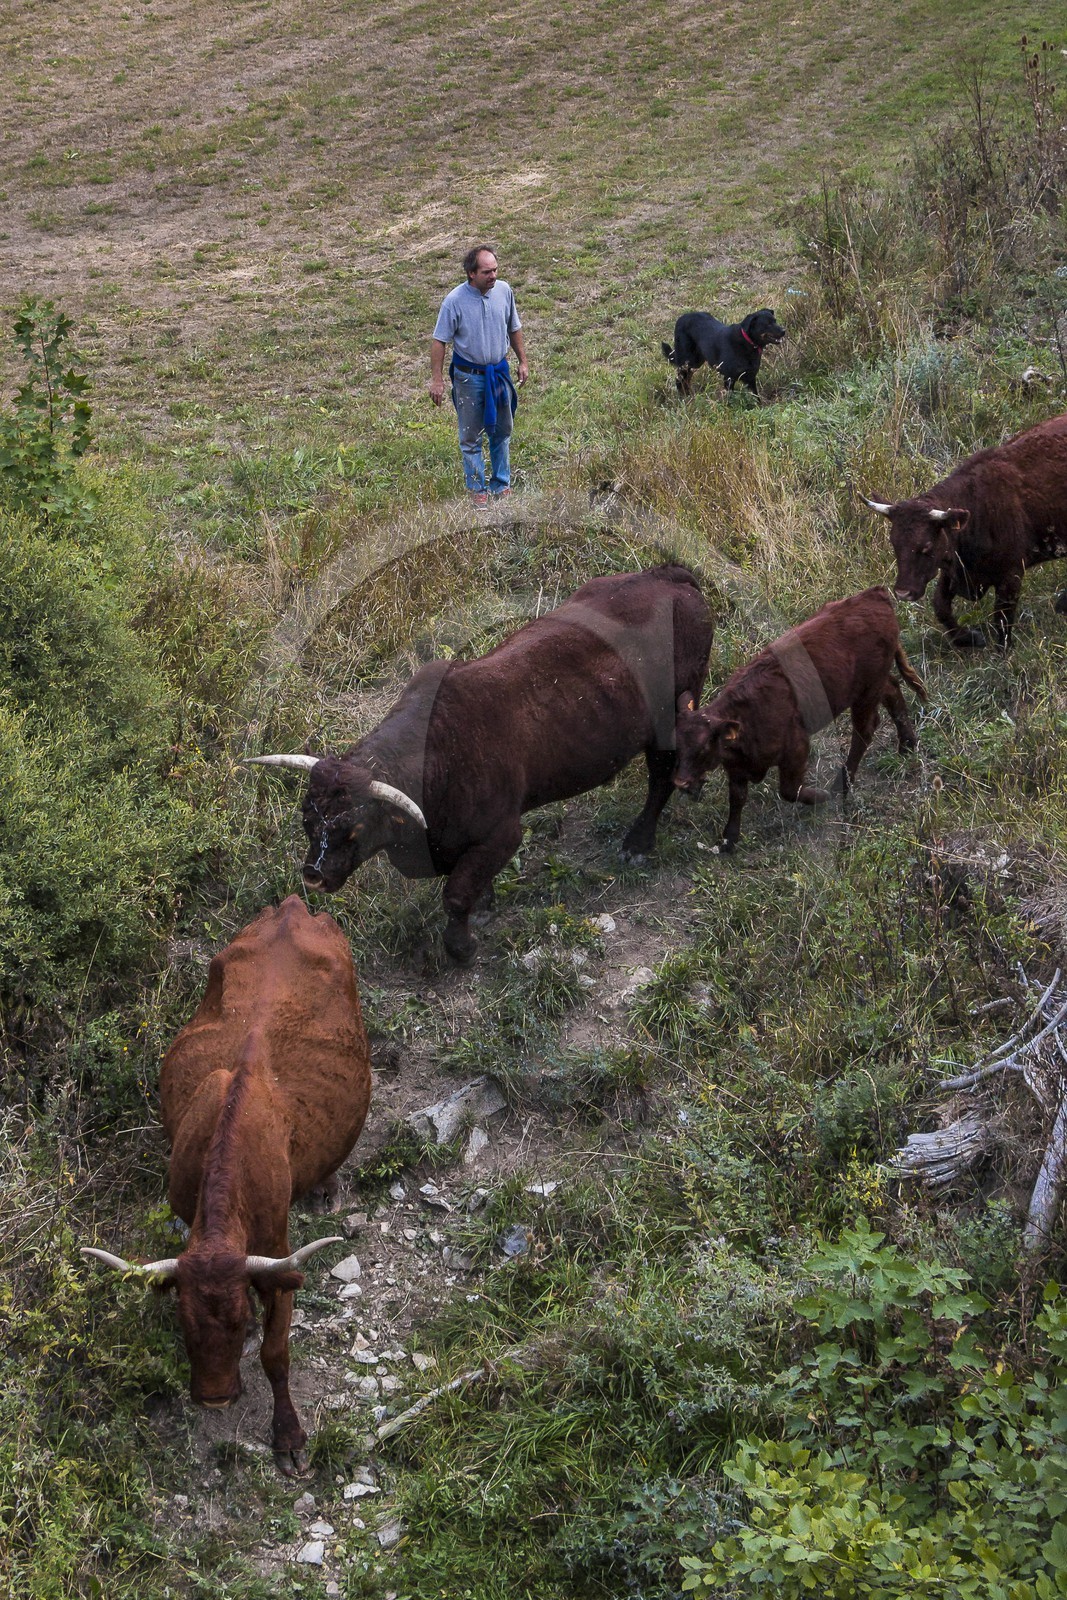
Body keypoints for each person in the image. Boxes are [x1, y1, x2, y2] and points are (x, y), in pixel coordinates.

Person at [429, 245, 528, 505]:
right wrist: (437, 380)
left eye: (495, 270)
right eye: (487, 272)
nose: (493, 275)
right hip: (468, 378)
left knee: (502, 431)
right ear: (471, 273)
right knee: (470, 436)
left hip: (499, 373)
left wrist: (522, 361)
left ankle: (501, 485)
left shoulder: (504, 291)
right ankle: (477, 490)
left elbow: (514, 327)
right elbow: (439, 341)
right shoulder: (454, 301)